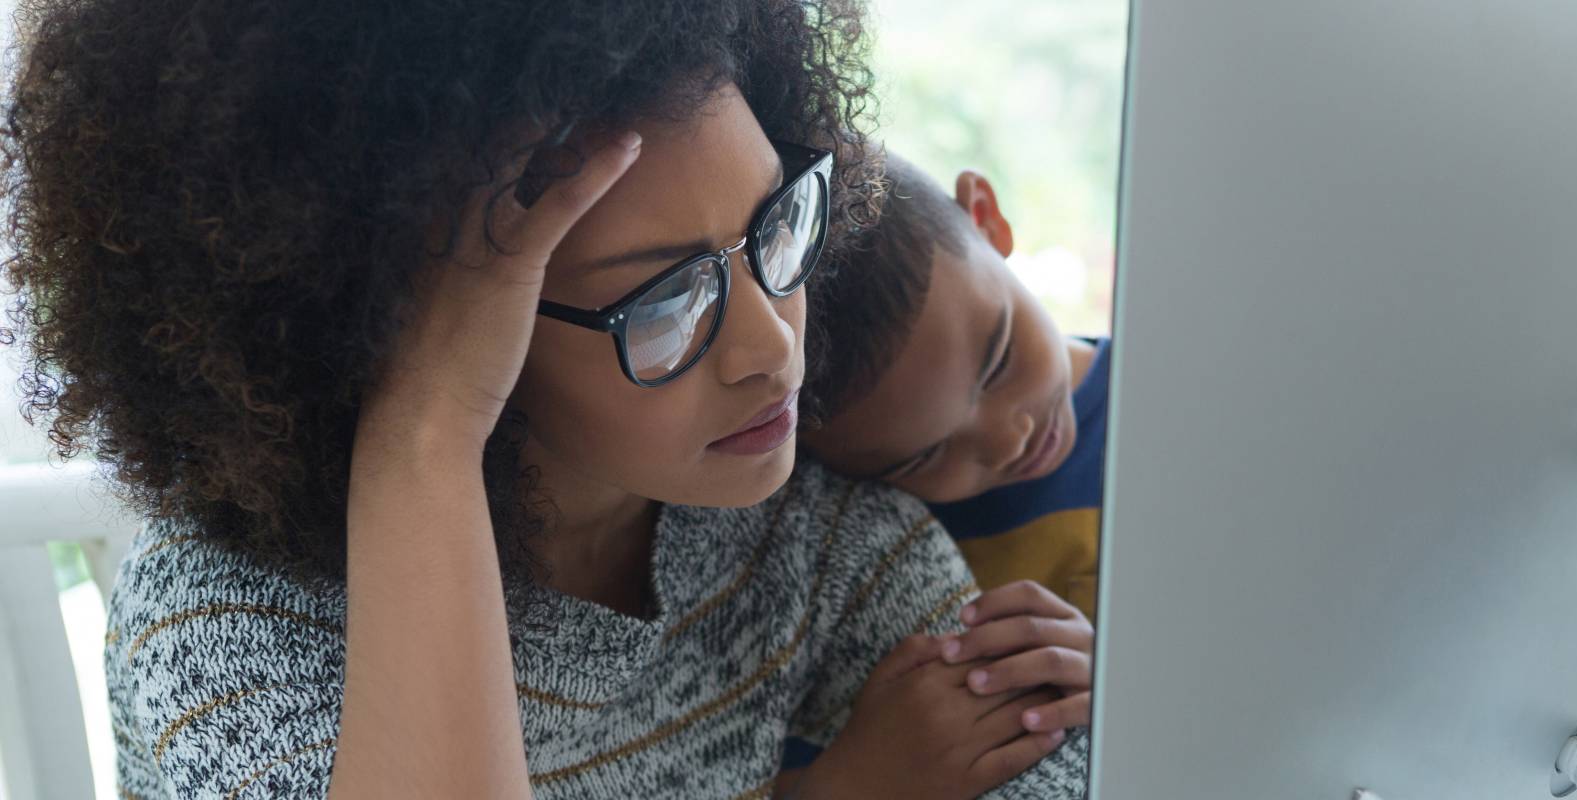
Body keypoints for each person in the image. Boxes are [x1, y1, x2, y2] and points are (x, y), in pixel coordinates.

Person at [0, 2, 1089, 797]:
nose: (773, 349)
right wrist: (423, 435)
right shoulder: (228, 630)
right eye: (663, 302)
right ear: (416, 341)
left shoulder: (805, 532)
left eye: (777, 226)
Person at [804, 154, 1109, 623]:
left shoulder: (1175, 408)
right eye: (927, 456)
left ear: (987, 221)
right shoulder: (884, 547)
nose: (1011, 441)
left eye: (999, 363)